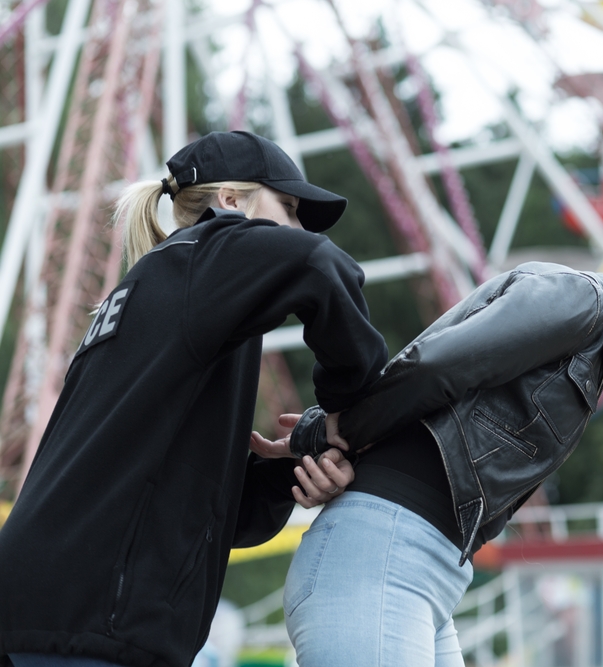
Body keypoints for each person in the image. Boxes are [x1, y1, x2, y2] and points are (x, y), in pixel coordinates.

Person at [258, 261, 603, 667]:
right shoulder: (577, 301)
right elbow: (437, 369)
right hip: (384, 558)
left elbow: (438, 395)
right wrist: (338, 430)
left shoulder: (583, 335)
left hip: (412, 567)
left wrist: (332, 439)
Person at [0, 131, 389, 667]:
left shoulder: (157, 293)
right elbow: (316, 261)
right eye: (290, 209)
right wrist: (354, 407)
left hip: (51, 607)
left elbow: (210, 521)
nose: (298, 228)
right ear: (230, 202)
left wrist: (293, 469)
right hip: (94, 621)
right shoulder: (205, 254)